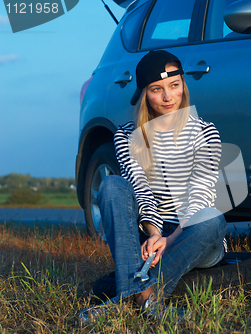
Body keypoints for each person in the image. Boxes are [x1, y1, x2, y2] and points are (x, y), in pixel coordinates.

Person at [79, 50, 227, 322]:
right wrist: (154, 233)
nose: (168, 97)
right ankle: (147, 301)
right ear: (144, 94)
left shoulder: (206, 132)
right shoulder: (126, 136)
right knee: (112, 184)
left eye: (174, 86)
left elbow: (201, 197)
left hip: (191, 234)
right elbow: (140, 190)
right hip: (149, 235)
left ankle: (129, 297)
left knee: (212, 219)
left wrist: (170, 239)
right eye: (157, 89)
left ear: (184, 85)